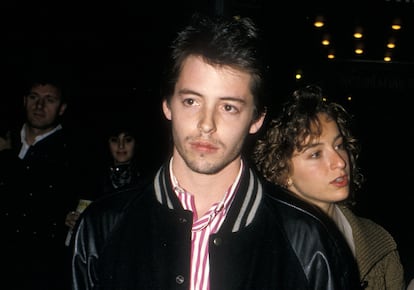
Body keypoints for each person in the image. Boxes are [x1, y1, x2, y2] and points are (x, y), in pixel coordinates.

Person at [71, 13, 361, 290]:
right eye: (191, 102)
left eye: (228, 107)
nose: (206, 125)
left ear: (256, 119)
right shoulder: (103, 225)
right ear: (167, 104)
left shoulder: (309, 242)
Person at [253, 84, 405, 290]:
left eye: (339, 145)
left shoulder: (379, 242)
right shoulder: (262, 249)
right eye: (316, 154)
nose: (340, 162)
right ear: (282, 170)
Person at [3, 71, 87, 290]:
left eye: (49, 100)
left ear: (62, 108)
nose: (39, 106)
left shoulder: (74, 154)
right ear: (24, 101)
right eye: (33, 97)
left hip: (40, 271)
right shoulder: (6, 138)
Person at [65, 116, 150, 232]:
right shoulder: (90, 177)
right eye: (115, 140)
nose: (121, 146)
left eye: (127, 140)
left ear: (137, 143)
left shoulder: (148, 179)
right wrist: (70, 218)